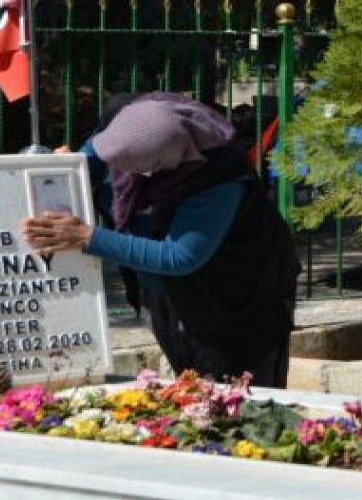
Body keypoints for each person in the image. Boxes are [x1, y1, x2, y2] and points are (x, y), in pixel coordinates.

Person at [20, 91, 300, 387]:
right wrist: (64, 167)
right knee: (190, 384)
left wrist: (88, 237)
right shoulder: (127, 122)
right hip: (168, 292)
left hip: (237, 298)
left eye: (130, 169)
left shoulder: (218, 180)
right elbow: (95, 157)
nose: (119, 174)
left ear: (158, 166)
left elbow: (179, 256)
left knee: (239, 388)